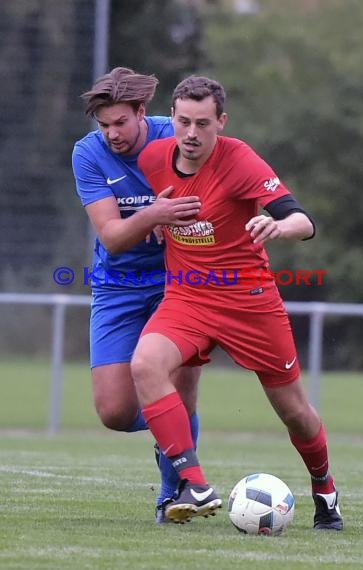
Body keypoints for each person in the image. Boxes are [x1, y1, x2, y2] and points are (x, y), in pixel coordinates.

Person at [131, 75, 343, 530]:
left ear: (220, 122)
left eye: (202, 123)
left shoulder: (239, 159)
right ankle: (195, 485)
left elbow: (302, 221)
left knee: (295, 413)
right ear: (172, 118)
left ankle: (325, 489)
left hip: (249, 302)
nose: (191, 133)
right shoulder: (152, 158)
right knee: (146, 364)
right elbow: (159, 203)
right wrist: (154, 217)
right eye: (183, 121)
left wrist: (278, 227)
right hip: (186, 295)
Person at [71, 67, 202, 523]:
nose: (111, 134)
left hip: (181, 283)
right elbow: (112, 236)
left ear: (142, 113)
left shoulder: (177, 137)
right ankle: (173, 423)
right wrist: (158, 213)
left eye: (120, 123)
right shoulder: (87, 155)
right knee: (113, 411)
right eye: (103, 125)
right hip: (117, 287)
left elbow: (213, 199)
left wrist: (181, 220)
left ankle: (174, 493)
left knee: (179, 389)